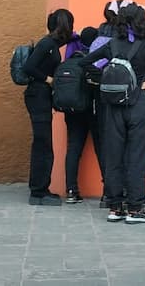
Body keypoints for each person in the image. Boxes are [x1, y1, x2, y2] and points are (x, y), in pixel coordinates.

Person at [80, 4, 145, 224]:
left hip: (113, 106)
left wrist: (104, 78)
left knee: (114, 155)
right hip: (139, 105)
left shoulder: (112, 43)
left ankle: (115, 207)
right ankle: (135, 209)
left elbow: (85, 62)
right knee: (137, 157)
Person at [23, 8, 75, 206]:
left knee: (42, 143)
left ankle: (39, 188)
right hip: (38, 96)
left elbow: (65, 40)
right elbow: (29, 67)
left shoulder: (52, 44)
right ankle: (39, 191)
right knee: (43, 143)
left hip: (41, 97)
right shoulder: (46, 44)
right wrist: (49, 79)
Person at [63, 27, 100, 204]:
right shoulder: (95, 59)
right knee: (103, 149)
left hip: (73, 110)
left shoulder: (70, 58)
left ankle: (71, 190)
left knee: (73, 149)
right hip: (93, 109)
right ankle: (109, 191)